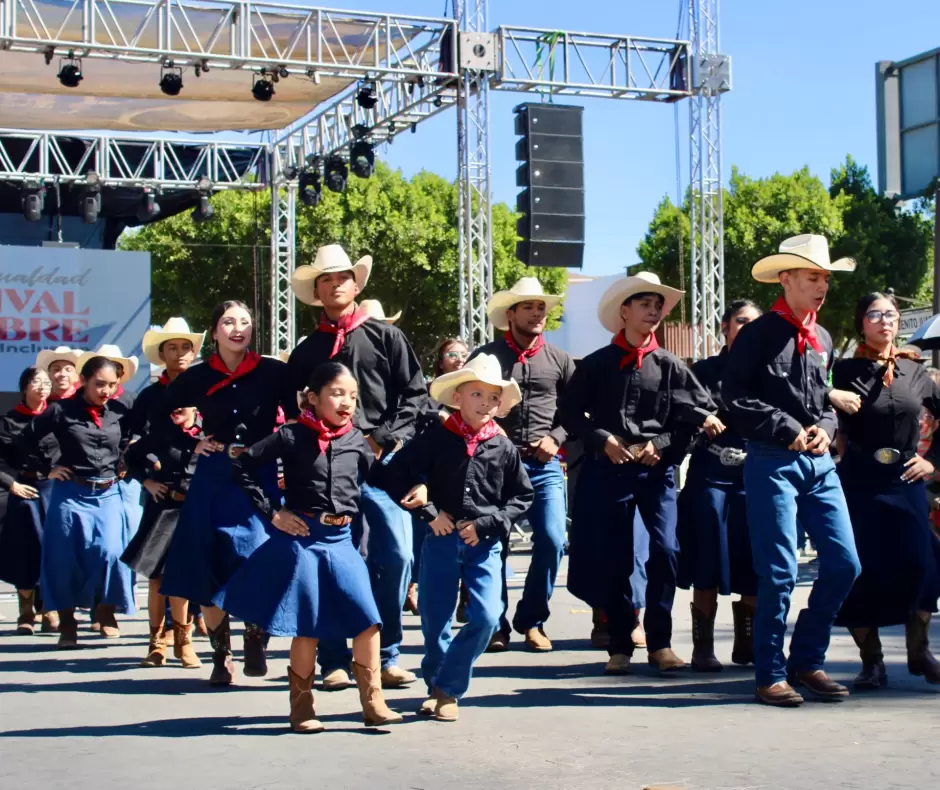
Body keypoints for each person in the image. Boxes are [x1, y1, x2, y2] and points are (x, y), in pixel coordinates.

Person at [217, 362, 402, 731]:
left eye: (352, 395)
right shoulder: (290, 436)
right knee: (309, 627)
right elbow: (242, 467)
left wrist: (417, 489)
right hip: (305, 541)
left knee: (369, 620)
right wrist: (274, 514)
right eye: (337, 393)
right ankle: (301, 706)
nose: (346, 402)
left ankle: (373, 702)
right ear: (313, 399)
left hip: (343, 541)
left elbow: (384, 479)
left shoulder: (357, 440)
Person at [723, 234, 862, 707]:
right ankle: (770, 673)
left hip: (818, 463)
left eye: (825, 277)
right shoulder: (758, 334)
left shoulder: (821, 337)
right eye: (813, 277)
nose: (822, 285)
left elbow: (821, 398)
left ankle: (807, 659)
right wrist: (786, 428)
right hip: (772, 461)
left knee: (845, 564)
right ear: (786, 280)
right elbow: (735, 397)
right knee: (779, 570)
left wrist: (825, 426)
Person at [562, 271, 719, 676]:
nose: (654, 312)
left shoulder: (671, 365)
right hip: (608, 472)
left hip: (657, 474)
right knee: (616, 557)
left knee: (666, 551)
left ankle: (661, 642)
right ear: (624, 312)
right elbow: (568, 415)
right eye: (645, 305)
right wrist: (602, 440)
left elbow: (695, 415)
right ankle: (619, 644)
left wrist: (662, 444)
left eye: (658, 306)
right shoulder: (595, 364)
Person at [286, 244, 426, 691]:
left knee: (397, 556)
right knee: (331, 562)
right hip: (326, 471)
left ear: (355, 283)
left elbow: (417, 396)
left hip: (384, 468)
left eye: (342, 276)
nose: (335, 284)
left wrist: (380, 438)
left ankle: (386, 655)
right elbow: (292, 411)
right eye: (325, 279)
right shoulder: (307, 351)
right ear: (317, 290)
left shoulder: (386, 336)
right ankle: (333, 659)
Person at [379, 353, 534, 722]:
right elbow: (392, 476)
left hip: (484, 544)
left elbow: (523, 496)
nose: (484, 403)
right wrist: (428, 513)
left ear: (500, 404)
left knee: (486, 615)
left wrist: (488, 524)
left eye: (492, 396)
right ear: (458, 397)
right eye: (476, 394)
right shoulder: (434, 438)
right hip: (440, 539)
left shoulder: (504, 446)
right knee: (435, 618)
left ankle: (448, 687)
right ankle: (436, 683)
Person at [157, 300, 298, 685]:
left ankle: (256, 634)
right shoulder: (198, 375)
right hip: (213, 478)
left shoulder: (273, 372)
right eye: (229, 321)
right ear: (215, 330)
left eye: (246, 322)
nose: (239, 328)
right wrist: (190, 444)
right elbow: (152, 413)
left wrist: (285, 460)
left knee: (258, 555)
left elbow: (297, 423)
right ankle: (222, 655)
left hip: (258, 473)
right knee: (208, 563)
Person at [830, 292, 940, 688]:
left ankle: (918, 651)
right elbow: (826, 414)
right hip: (860, 480)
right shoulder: (844, 371)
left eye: (891, 314)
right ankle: (871, 661)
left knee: (921, 562)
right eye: (875, 315)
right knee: (860, 569)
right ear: (862, 322)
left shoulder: (917, 372)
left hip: (906, 480)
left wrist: (934, 462)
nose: (885, 321)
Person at [472, 276, 573, 652]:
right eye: (528, 307)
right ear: (510, 313)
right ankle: (496, 625)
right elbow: (462, 405)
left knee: (552, 538)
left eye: (541, 307)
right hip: (495, 465)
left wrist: (556, 438)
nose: (536, 313)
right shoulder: (485, 358)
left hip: (544, 465)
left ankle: (533, 620)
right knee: (492, 542)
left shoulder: (560, 360)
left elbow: (577, 413)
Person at [19, 352, 138, 647]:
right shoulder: (61, 410)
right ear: (83, 381)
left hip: (108, 492)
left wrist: (129, 459)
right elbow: (23, 440)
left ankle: (105, 609)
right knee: (64, 559)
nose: (106, 391)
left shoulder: (122, 410)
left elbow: (138, 439)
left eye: (112, 385)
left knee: (111, 553)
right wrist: (47, 469)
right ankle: (68, 622)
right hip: (70, 492)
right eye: (99, 384)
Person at [677, 299, 762, 671]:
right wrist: (702, 414)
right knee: (706, 562)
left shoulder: (772, 372)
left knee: (756, 563)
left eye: (754, 323)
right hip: (709, 473)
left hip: (758, 475)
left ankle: (747, 644)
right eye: (741, 321)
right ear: (725, 326)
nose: (747, 328)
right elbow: (680, 406)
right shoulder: (704, 369)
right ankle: (703, 649)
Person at [127, 318, 206, 647]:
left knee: (195, 564)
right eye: (171, 347)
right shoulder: (150, 396)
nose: (179, 353)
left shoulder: (205, 387)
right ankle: (160, 638)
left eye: (185, 347)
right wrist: (148, 472)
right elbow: (132, 441)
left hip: (198, 490)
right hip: (162, 488)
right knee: (158, 568)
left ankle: (194, 624)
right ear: (161, 354)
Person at [121, 404, 204, 669]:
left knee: (182, 578)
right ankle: (157, 644)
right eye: (173, 405)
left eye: (183, 405)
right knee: (157, 578)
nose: (176, 409)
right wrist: (147, 482)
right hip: (163, 509)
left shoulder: (209, 434)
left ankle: (184, 643)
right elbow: (130, 458)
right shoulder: (161, 433)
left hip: (195, 512)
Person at [409, 336, 471, 618]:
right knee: (429, 540)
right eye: (452, 354)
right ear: (440, 362)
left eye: (464, 353)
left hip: (471, 481)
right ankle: (419, 588)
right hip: (433, 479)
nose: (459, 358)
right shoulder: (426, 395)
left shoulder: (481, 392)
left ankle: (467, 598)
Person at [0, 367, 57, 634]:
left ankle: (50, 607)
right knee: (25, 547)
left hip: (54, 489)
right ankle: (26, 610)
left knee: (54, 547)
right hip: (22, 489)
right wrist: (12, 484)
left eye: (47, 382)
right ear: (24, 386)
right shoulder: (9, 420)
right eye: (36, 381)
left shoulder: (58, 416)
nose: (43, 386)